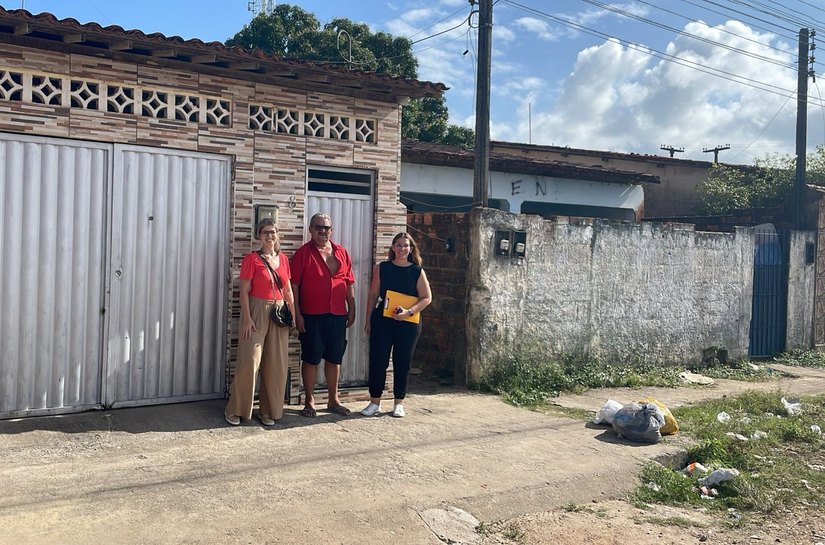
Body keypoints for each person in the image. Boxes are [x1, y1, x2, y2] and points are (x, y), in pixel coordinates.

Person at [225, 218, 295, 426]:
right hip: (257, 310)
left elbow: (289, 290)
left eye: (272, 232)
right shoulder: (252, 259)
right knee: (250, 361)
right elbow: (244, 291)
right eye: (265, 232)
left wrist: (293, 316)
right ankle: (236, 409)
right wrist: (246, 319)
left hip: (279, 311)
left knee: (276, 365)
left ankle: (268, 411)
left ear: (277, 235)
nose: (269, 236)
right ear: (259, 235)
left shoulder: (283, 259)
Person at [290, 213, 356, 417]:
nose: (322, 231)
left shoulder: (341, 253)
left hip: (337, 314)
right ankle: (309, 401)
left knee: (334, 358)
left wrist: (351, 307)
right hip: (312, 315)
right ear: (310, 229)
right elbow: (294, 285)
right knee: (311, 358)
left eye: (326, 228)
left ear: (331, 230)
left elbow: (348, 283)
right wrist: (297, 314)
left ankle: (333, 400)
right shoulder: (303, 253)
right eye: (318, 227)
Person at [361, 232, 432, 418]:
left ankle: (398, 402)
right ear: (393, 248)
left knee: (403, 362)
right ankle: (374, 401)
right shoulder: (382, 268)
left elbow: (427, 298)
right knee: (378, 361)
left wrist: (409, 312)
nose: (402, 249)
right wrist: (368, 319)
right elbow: (373, 294)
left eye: (405, 246)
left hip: (408, 323)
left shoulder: (417, 271)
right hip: (383, 320)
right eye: (398, 245)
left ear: (411, 249)